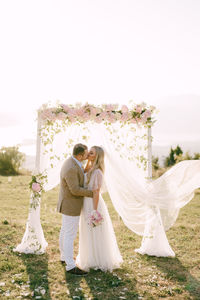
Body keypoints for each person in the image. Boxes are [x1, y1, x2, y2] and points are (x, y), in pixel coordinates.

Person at [76, 146, 123, 272]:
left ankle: (98, 259)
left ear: (96, 156)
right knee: (87, 231)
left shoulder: (97, 172)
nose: (87, 154)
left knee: (95, 231)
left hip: (93, 203)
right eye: (88, 152)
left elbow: (96, 192)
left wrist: (94, 211)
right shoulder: (89, 168)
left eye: (91, 153)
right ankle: (89, 257)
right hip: (86, 202)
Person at [57, 143, 93, 275]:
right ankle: (71, 266)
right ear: (80, 155)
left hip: (68, 203)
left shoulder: (74, 162)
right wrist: (93, 193)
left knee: (65, 231)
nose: (87, 155)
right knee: (69, 234)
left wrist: (88, 164)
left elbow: (81, 172)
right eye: (86, 153)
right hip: (70, 204)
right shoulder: (71, 167)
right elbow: (75, 190)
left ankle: (64, 257)